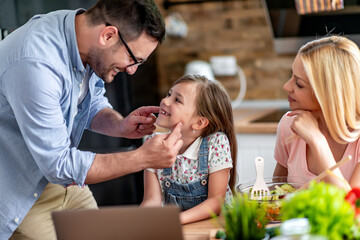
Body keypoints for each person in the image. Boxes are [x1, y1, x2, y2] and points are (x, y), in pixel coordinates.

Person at [0, 0, 184, 239]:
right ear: (108, 35)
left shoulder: (80, 35)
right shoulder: (36, 63)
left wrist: (120, 125)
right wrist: (142, 158)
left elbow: (90, 100)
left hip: (62, 182)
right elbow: (60, 165)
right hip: (18, 190)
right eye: (134, 59)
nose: (132, 71)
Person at [141, 75, 237, 224]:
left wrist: (173, 220)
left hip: (217, 227)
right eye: (169, 94)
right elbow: (151, 200)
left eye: (177, 100)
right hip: (179, 228)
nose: (165, 101)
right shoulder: (152, 144)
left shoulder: (216, 143)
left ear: (199, 122)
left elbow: (215, 203)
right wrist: (141, 221)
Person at [273, 35, 360, 191]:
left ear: (328, 94)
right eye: (290, 76)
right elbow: (278, 190)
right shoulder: (289, 125)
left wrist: (316, 140)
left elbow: (353, 211)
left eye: (299, 84)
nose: (286, 86)